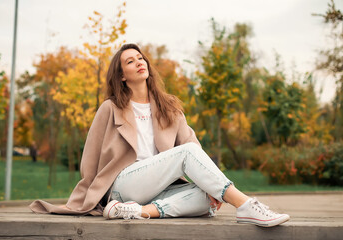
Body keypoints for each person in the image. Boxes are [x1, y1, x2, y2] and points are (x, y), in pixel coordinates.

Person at [30, 43, 289, 227]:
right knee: (192, 162)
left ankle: (138, 212)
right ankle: (245, 206)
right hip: (123, 184)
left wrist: (209, 186)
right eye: (130, 61)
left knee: (207, 199)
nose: (139, 62)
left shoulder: (169, 106)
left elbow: (192, 146)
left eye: (141, 58)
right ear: (122, 75)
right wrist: (89, 198)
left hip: (159, 189)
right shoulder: (110, 108)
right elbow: (90, 159)